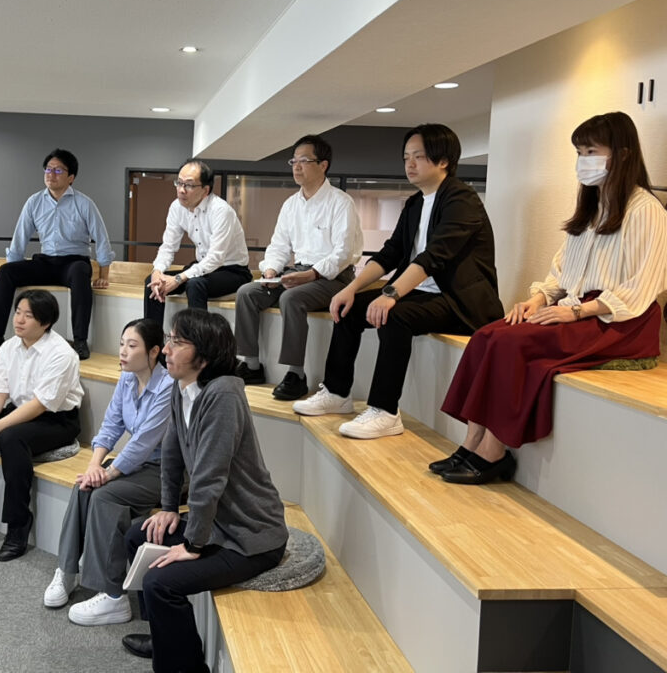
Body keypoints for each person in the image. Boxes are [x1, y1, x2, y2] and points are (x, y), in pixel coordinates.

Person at [432, 111, 667, 484]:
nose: (583, 161)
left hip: (619, 319)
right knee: (487, 335)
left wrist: (576, 312)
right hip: (579, 307)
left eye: (591, 151)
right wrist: (539, 300)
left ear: (622, 154)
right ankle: (472, 441)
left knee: (511, 344)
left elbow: (643, 285)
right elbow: (563, 270)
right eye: (579, 152)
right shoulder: (592, 208)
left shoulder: (645, 210)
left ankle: (493, 451)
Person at [294, 123, 503, 440]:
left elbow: (434, 257)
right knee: (349, 308)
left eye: (419, 156)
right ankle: (336, 393)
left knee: (394, 316)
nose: (410, 164)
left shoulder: (462, 200)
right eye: (406, 157)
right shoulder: (416, 203)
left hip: (459, 302)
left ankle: (385, 411)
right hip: (423, 293)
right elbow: (391, 253)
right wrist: (350, 288)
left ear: (443, 160)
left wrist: (390, 294)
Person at [120, 309, 288, 672]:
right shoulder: (181, 386)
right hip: (218, 526)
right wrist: (168, 508)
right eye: (169, 339)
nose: (166, 349)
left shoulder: (223, 394)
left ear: (205, 355)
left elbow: (210, 479)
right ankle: (165, 639)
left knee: (161, 583)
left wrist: (192, 545)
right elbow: (171, 452)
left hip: (251, 536)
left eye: (178, 342)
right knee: (138, 536)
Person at [44, 318, 173, 625]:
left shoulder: (168, 386)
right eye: (121, 344)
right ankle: (67, 571)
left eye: (132, 345)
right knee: (84, 486)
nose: (123, 351)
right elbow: (111, 426)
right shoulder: (127, 378)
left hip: (167, 471)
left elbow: (143, 443)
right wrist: (94, 467)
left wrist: (109, 473)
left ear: (154, 351)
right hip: (137, 464)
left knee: (104, 496)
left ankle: (113, 596)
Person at [0, 289, 82, 561]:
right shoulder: (9, 347)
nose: (18, 320)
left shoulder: (61, 353)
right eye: (18, 312)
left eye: (28, 316)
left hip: (56, 419)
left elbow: (40, 405)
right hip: (18, 411)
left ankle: (18, 522)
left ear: (45, 322)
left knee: (11, 438)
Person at [234, 134, 363, 400]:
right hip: (298, 272)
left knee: (291, 298)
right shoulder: (291, 205)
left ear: (323, 165)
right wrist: (271, 270)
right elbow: (279, 245)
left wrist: (312, 274)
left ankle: (296, 374)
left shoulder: (341, 202)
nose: (297, 166)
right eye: (294, 161)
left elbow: (343, 254)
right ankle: (252, 365)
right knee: (247, 292)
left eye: (304, 161)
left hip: (333, 277)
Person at [0, 149, 114, 361]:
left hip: (73, 262)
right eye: (48, 169)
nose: (51, 174)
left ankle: (80, 340)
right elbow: (20, 239)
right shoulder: (34, 202)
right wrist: (4, 275)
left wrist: (104, 275)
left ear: (71, 177)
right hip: (46, 262)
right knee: (6, 271)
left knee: (80, 271)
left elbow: (101, 238)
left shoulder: (84, 203)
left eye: (58, 170)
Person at [144, 160, 251, 326]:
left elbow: (215, 258)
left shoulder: (221, 211)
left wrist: (178, 278)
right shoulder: (176, 207)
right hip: (203, 268)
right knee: (152, 282)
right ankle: (152, 339)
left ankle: (197, 340)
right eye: (179, 183)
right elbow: (168, 247)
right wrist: (157, 271)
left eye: (189, 185)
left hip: (233, 271)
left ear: (205, 190)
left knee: (195, 284)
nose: (181, 190)